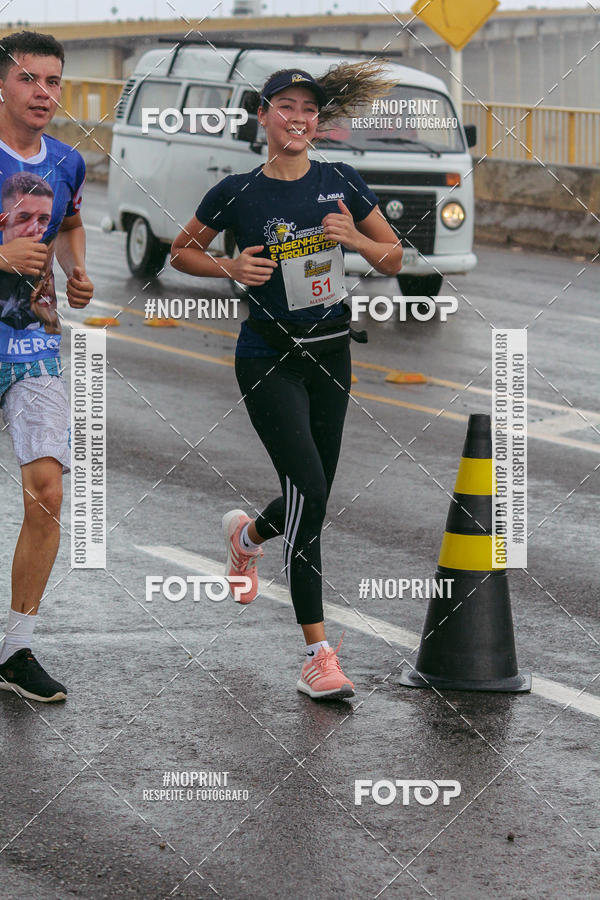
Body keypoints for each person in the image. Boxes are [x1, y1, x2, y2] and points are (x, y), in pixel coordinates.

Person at [171, 62, 402, 700]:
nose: (298, 118)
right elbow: (179, 251)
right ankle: (318, 653)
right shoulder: (237, 191)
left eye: (309, 109)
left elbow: (395, 256)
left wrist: (354, 236)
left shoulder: (342, 181)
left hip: (331, 355)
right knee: (307, 489)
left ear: (317, 122)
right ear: (263, 116)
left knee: (316, 496)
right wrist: (228, 266)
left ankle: (246, 537)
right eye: (286, 106)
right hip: (266, 357)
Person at [0, 31, 94, 702]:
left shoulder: (67, 162)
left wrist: (78, 270)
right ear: (2, 85)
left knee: (48, 492)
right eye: (30, 79)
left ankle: (15, 647)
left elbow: (67, 225)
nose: (44, 93)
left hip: (33, 344)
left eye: (53, 81)